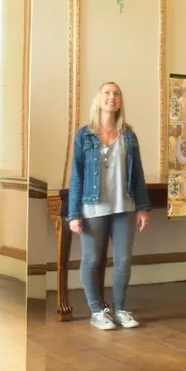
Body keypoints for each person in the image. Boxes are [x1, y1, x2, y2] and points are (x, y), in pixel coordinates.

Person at [66, 82, 151, 330]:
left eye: (116, 94)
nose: (111, 97)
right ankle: (97, 311)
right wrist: (73, 214)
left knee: (123, 260)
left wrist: (143, 207)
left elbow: (138, 175)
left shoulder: (129, 134)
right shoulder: (84, 135)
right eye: (107, 93)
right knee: (91, 260)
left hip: (124, 206)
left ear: (120, 101)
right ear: (99, 100)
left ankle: (120, 309)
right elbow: (77, 177)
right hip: (92, 208)